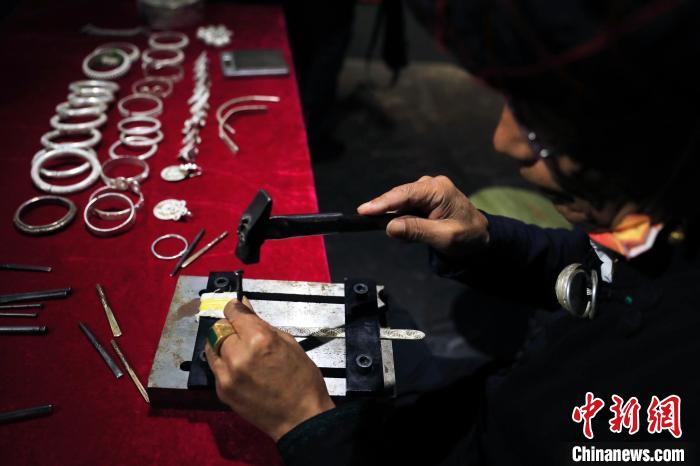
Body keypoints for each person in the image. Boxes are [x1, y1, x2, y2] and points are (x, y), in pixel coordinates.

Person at [204, 1, 700, 464]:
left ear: (648, 139)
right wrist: (487, 241)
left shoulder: (654, 405)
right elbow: (605, 270)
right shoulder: (672, 215)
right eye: (516, 105)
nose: (505, 141)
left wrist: (306, 423)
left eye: (543, 126)